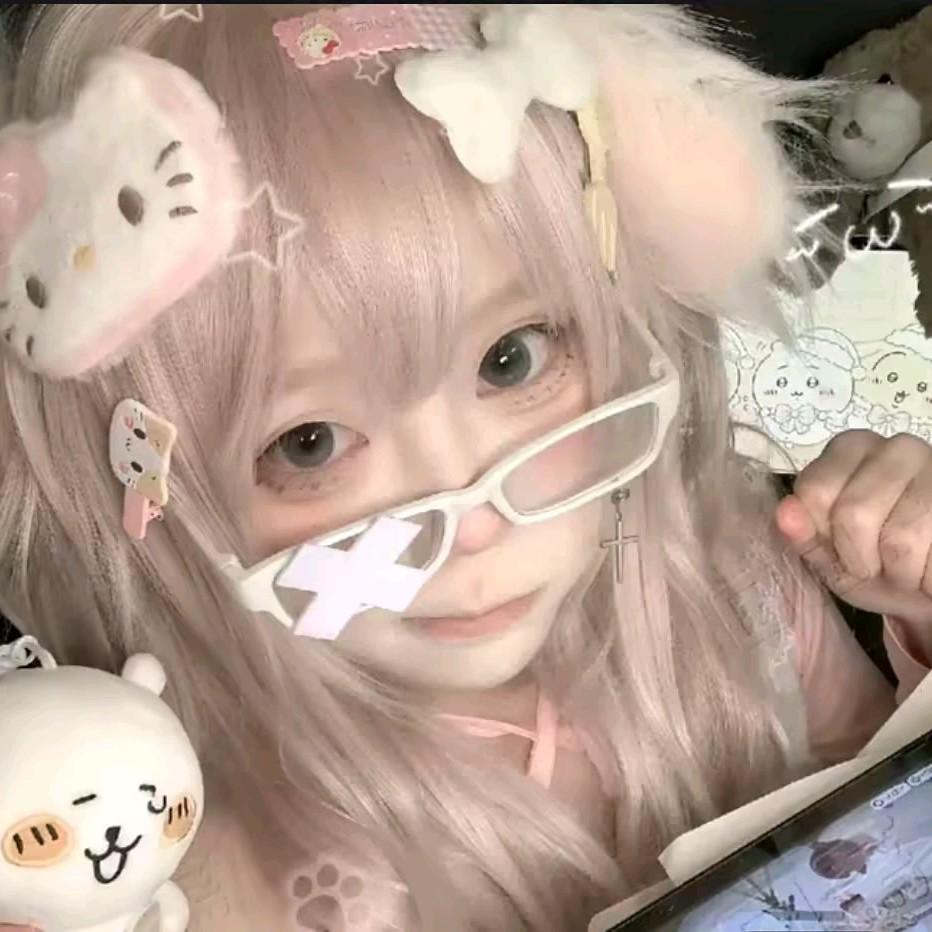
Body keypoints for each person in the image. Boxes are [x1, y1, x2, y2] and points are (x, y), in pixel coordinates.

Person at [2, 4, 932, 930]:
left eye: (511, 359)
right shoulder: (198, 854)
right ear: (153, 497)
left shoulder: (737, 585)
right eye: (308, 442)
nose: (475, 524)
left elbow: (880, 831)